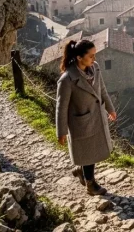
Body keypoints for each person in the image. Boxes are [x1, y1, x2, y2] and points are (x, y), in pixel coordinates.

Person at [55, 39, 117, 195]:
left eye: (95, 55)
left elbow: (102, 90)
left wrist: (110, 109)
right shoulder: (67, 79)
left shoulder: (94, 68)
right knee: (89, 153)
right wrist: (61, 131)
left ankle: (80, 171)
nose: (94, 59)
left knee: (92, 151)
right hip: (81, 122)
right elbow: (61, 107)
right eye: (91, 56)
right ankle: (91, 185)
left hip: (96, 117)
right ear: (79, 57)